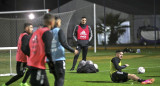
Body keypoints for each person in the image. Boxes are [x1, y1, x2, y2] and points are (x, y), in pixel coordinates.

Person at [47, 18, 78, 86]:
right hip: (59, 59)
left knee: (57, 78)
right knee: (60, 78)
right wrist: (73, 50)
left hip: (50, 60)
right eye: (60, 22)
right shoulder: (59, 31)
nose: (60, 23)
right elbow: (64, 43)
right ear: (57, 22)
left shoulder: (48, 32)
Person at [27, 13, 55, 86]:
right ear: (52, 22)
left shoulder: (36, 32)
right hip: (37, 66)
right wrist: (52, 65)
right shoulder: (47, 33)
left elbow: (28, 46)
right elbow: (48, 51)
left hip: (34, 64)